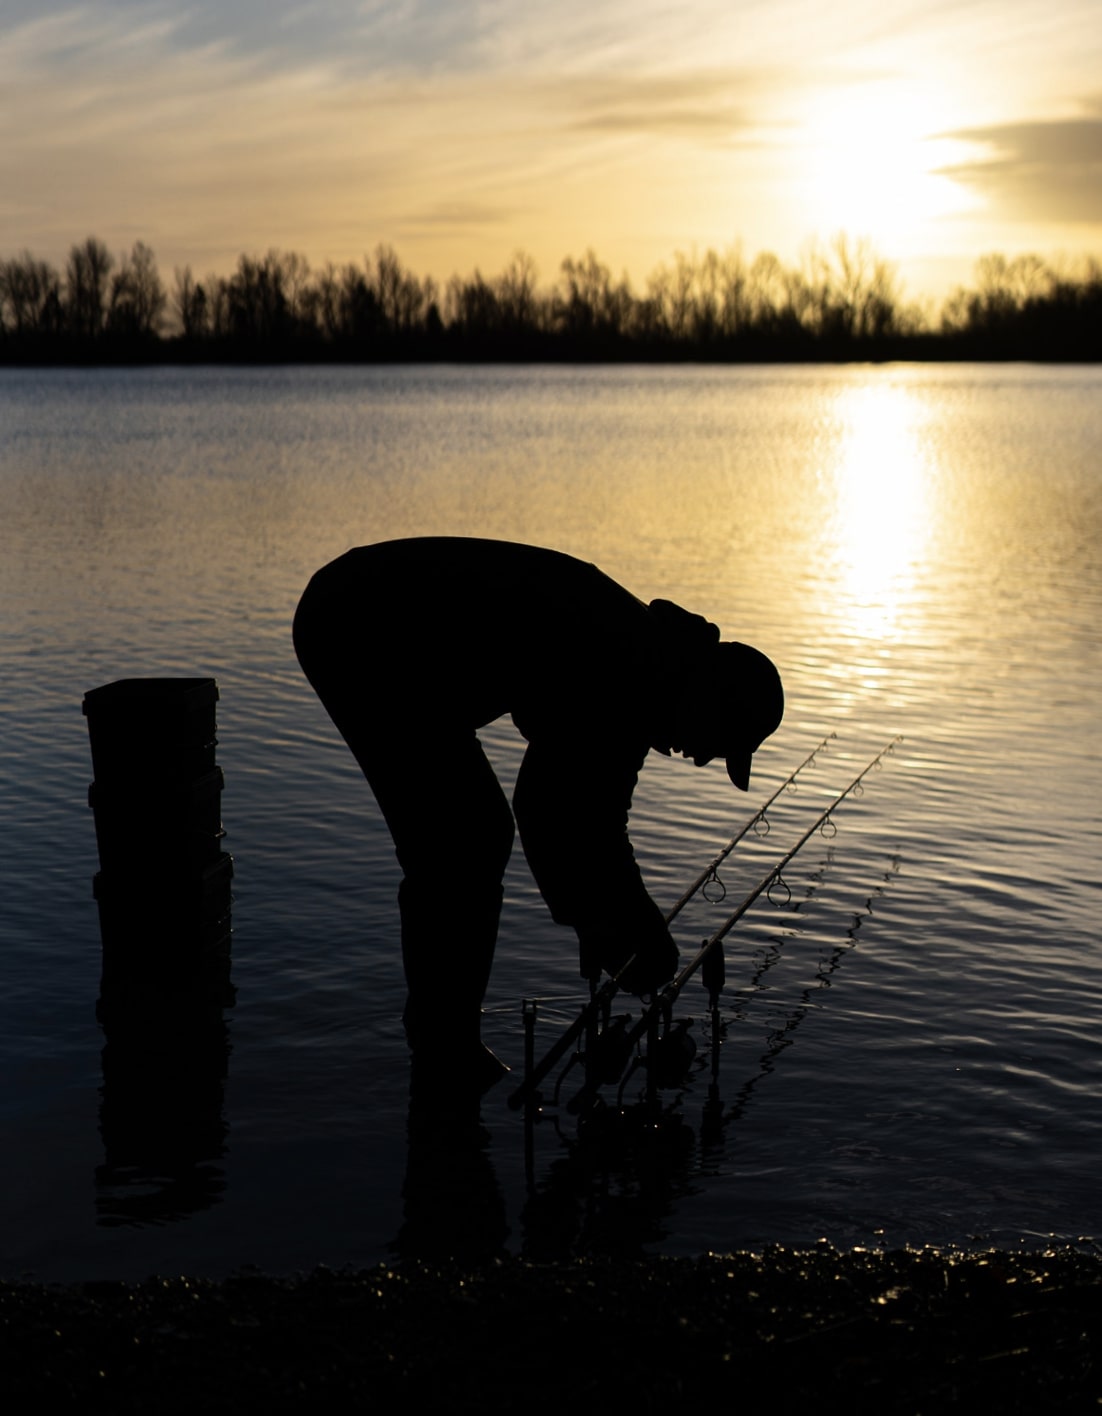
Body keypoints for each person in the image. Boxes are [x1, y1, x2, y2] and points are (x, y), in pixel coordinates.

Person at [293, 537, 783, 1093]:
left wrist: (622, 919)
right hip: (362, 626)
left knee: (471, 833)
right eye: (718, 745)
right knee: (465, 837)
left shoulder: (651, 668)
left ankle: (441, 1044)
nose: (702, 758)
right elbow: (548, 806)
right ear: (709, 699)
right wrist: (599, 920)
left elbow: (598, 818)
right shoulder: (626, 667)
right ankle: (442, 1044)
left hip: (389, 634)